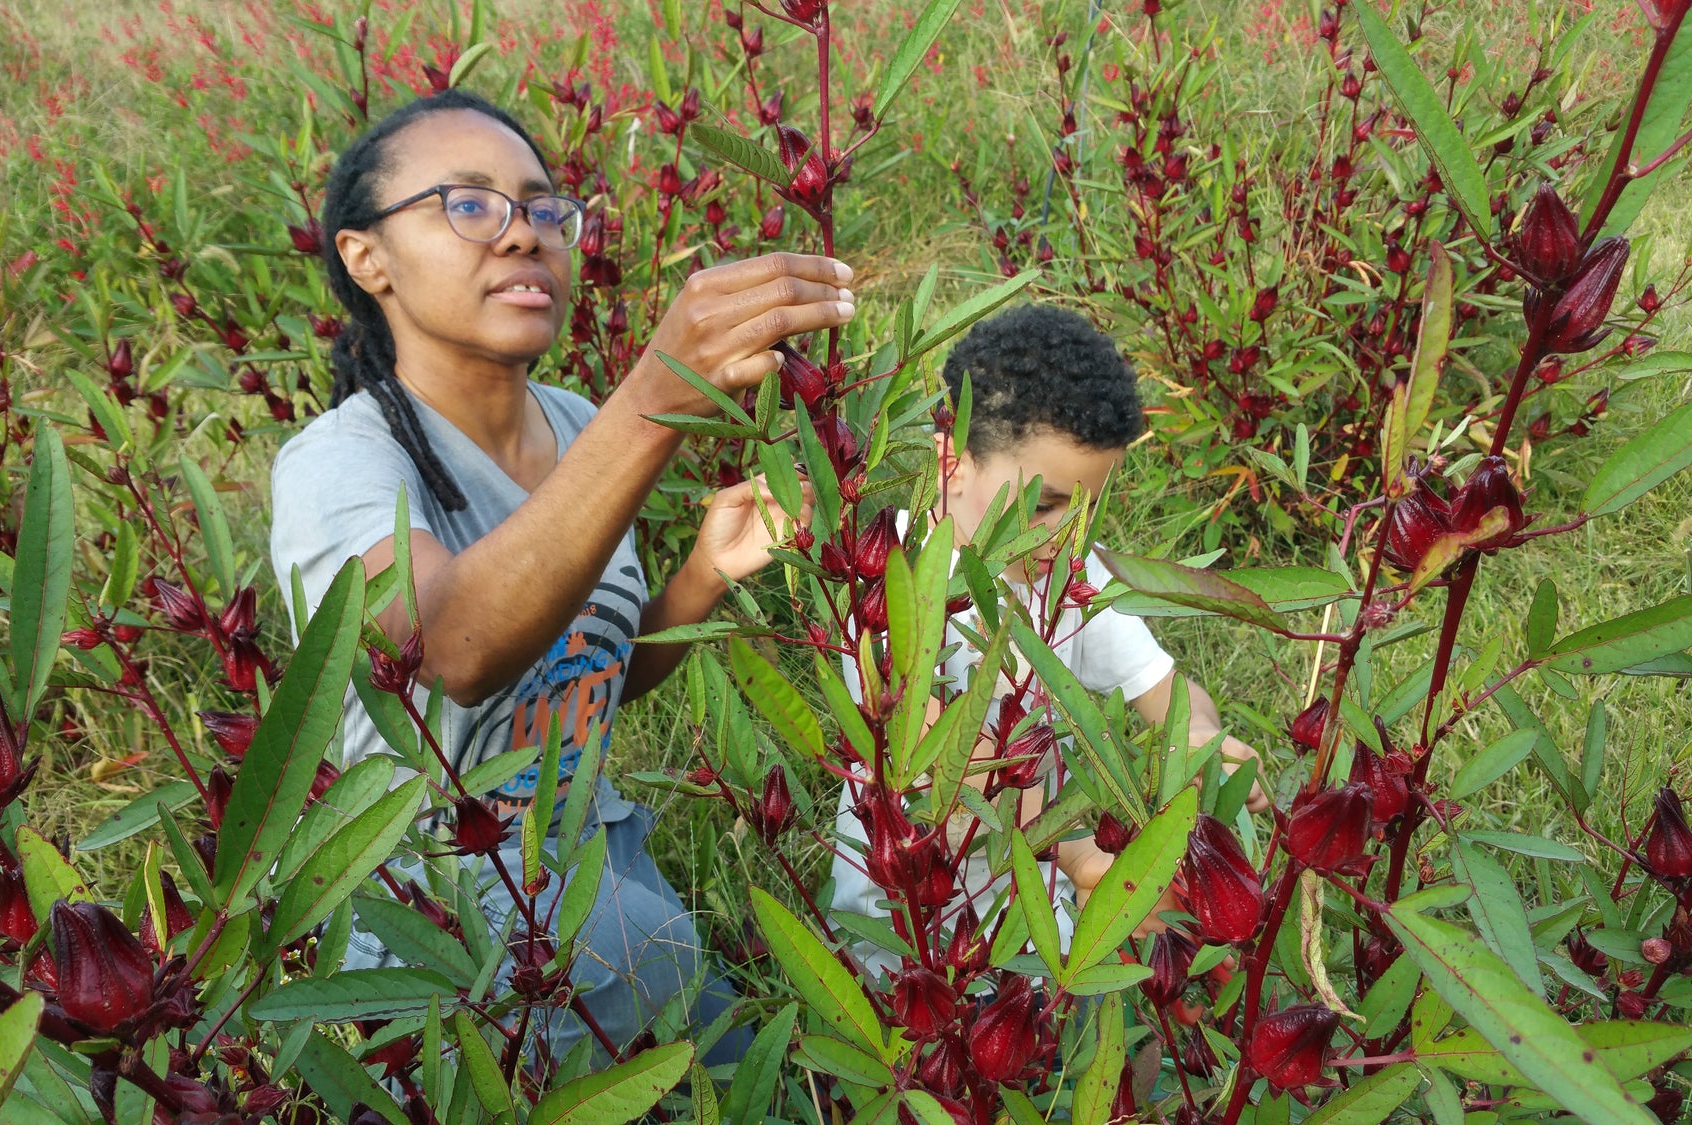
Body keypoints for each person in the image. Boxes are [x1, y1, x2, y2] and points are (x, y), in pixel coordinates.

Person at [268, 88, 853, 1065]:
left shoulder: (578, 421)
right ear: (366, 258)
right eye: (468, 203)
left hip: (593, 859)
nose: (522, 233)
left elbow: (587, 676)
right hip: (439, 894)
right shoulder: (337, 463)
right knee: (671, 988)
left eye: (543, 208)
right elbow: (452, 650)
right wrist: (656, 397)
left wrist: (700, 578)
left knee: (751, 1064)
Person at [829, 304, 1266, 980]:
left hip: (1040, 905)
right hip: (906, 931)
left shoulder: (1070, 573)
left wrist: (1199, 740)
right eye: (1044, 505)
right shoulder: (889, 580)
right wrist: (1085, 856)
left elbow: (1165, 688)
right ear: (951, 462)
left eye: (1088, 508)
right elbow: (952, 765)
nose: (1067, 534)